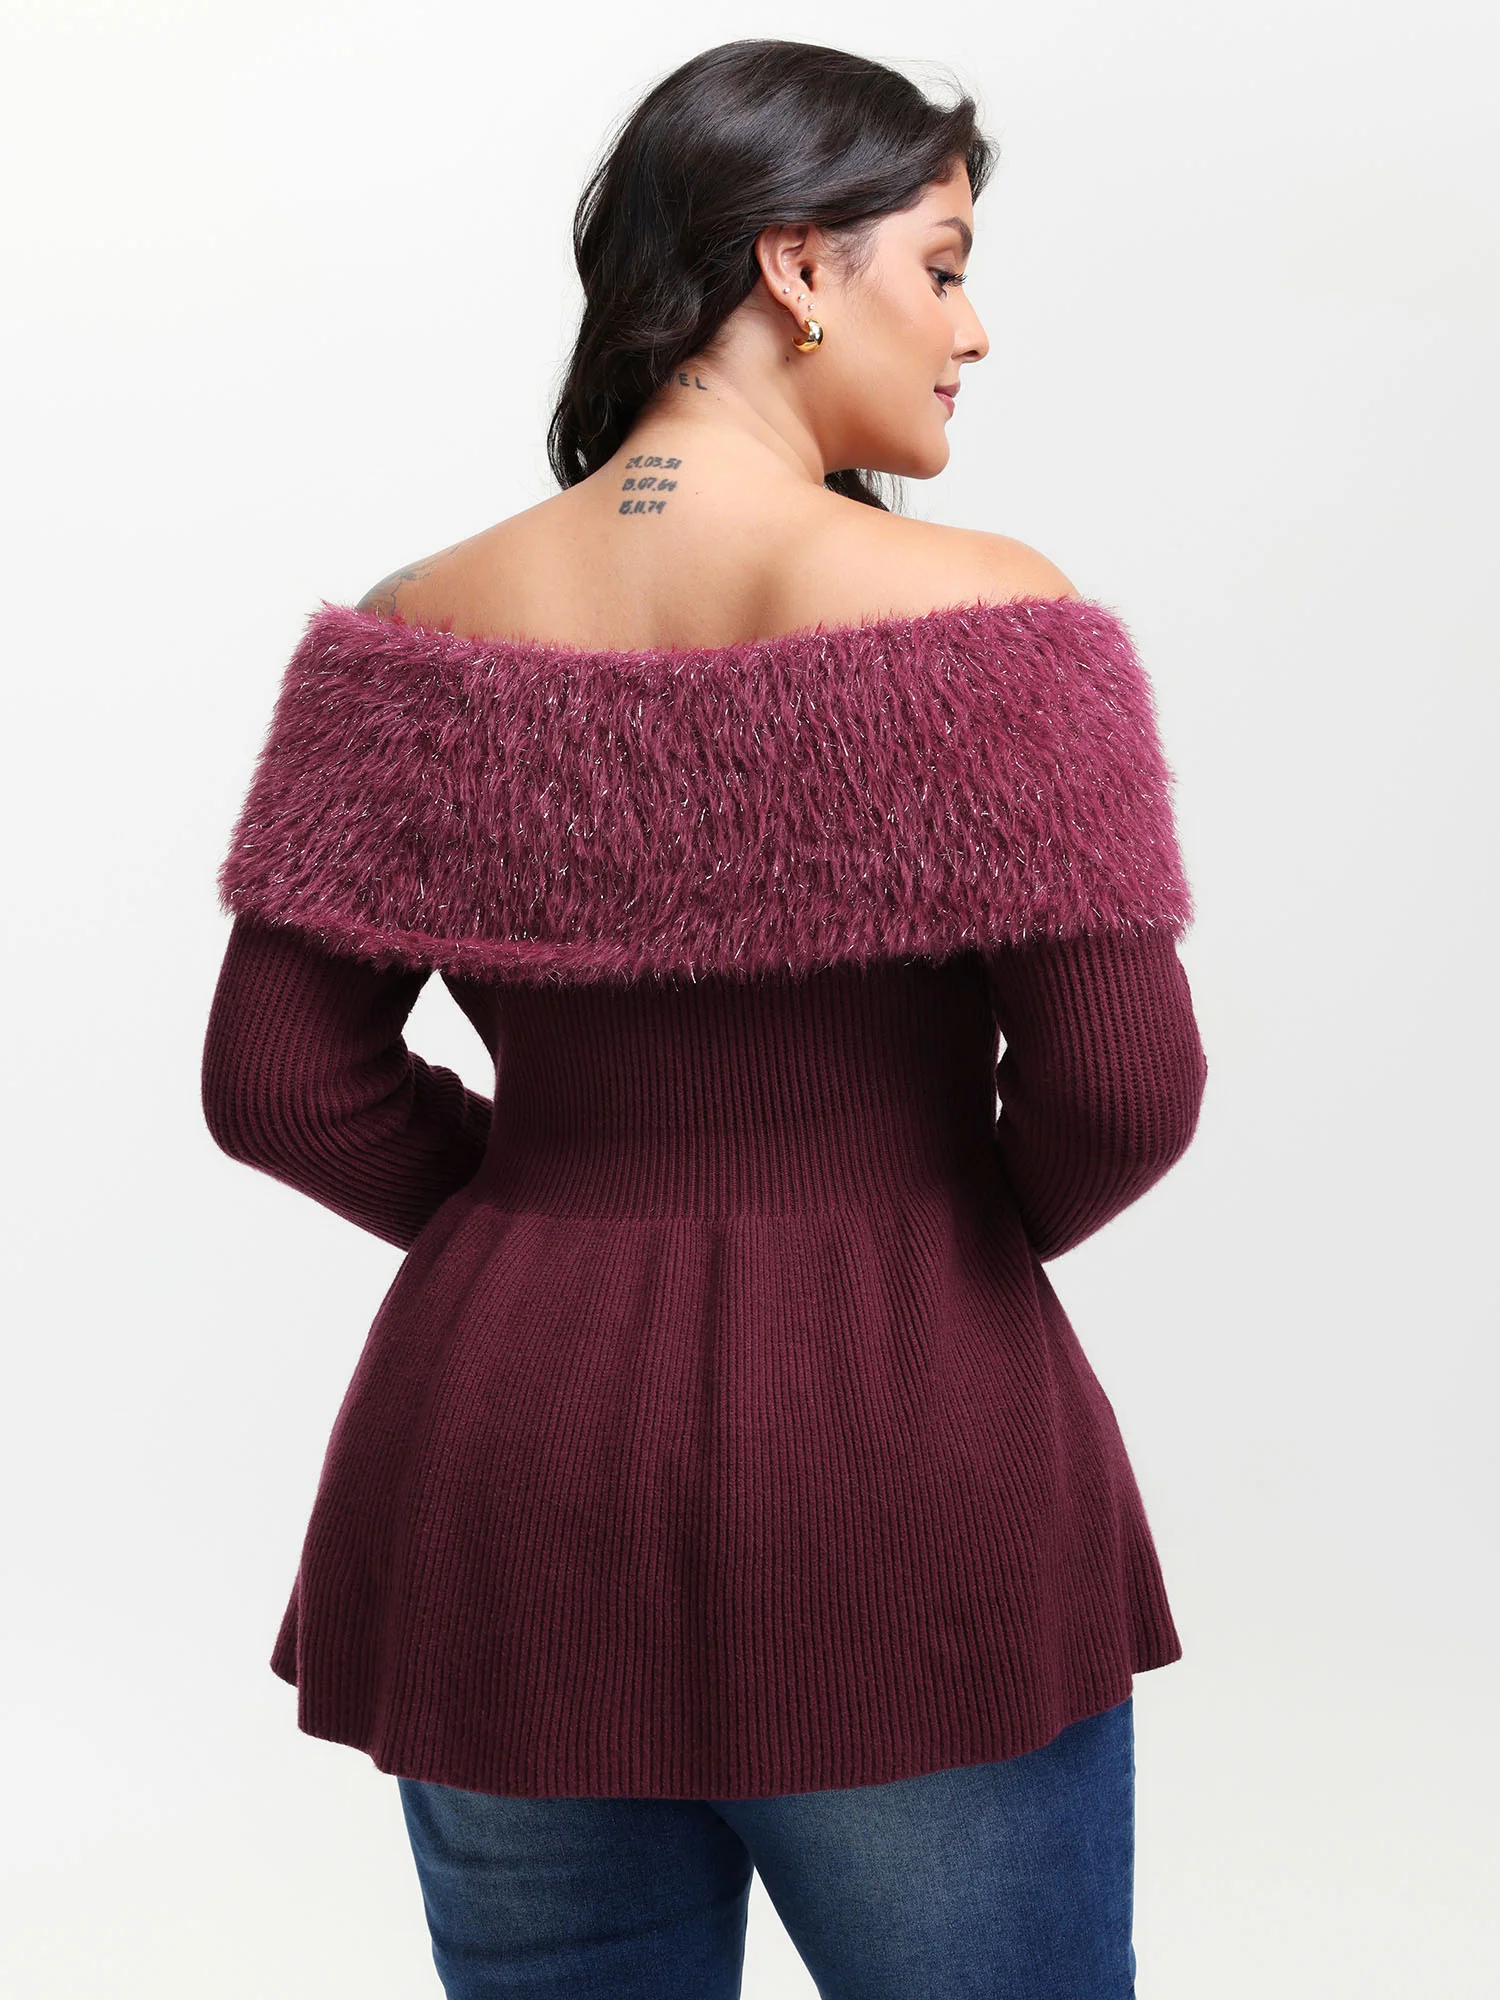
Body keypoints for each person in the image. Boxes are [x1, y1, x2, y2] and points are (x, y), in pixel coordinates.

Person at [202, 36, 1208, 2000]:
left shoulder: (411, 631)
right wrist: (920, 1242)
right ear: (798, 267)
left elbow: (278, 1086)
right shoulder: (983, 618)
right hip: (900, 1474)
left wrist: (541, 1224)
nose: (973, 330)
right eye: (944, 265)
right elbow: (1124, 1088)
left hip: (499, 1474)